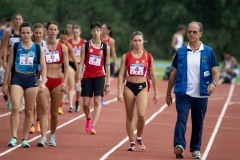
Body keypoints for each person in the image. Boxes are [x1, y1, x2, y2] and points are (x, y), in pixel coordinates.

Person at [166, 21, 219, 159]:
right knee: (181, 118)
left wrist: (213, 84)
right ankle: (179, 146)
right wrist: (168, 93)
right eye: (189, 31)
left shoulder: (208, 51)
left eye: (195, 32)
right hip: (183, 93)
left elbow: (215, 72)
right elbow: (173, 73)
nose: (191, 34)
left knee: (198, 122)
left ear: (200, 34)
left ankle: (195, 149)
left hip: (201, 94)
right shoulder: (181, 51)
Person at [2, 22, 47, 148]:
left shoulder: (38, 48)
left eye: (28, 32)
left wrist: (43, 82)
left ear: (31, 33)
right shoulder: (15, 46)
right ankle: (14, 137)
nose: (26, 35)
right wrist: (5, 83)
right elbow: (9, 66)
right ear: (20, 34)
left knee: (28, 110)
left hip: (31, 78)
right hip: (17, 77)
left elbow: (43, 65)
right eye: (23, 33)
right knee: (15, 107)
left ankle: (25, 138)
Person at [117, 31, 159, 151]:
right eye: (135, 40)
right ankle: (131, 142)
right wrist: (119, 91)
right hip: (129, 86)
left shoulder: (148, 56)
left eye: (139, 40)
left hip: (142, 87)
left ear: (143, 41)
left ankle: (139, 138)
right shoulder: (126, 56)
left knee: (141, 114)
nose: (137, 43)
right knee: (129, 115)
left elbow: (153, 75)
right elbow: (121, 75)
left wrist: (156, 92)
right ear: (132, 42)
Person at [37, 21, 69, 147]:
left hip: (57, 81)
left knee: (54, 113)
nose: (52, 32)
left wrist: (65, 82)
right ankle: (43, 137)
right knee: (44, 109)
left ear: (58, 31)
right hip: (44, 81)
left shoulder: (63, 47)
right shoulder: (40, 46)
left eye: (55, 29)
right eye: (50, 29)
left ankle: (52, 135)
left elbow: (66, 67)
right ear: (46, 30)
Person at [76, 22, 110, 135]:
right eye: (94, 30)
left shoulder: (105, 47)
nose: (96, 32)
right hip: (87, 76)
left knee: (97, 101)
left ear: (101, 32)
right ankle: (88, 118)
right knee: (85, 104)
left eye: (98, 30)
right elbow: (81, 63)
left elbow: (107, 65)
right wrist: (79, 76)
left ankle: (93, 126)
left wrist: (108, 82)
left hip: (100, 75)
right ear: (91, 32)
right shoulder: (86, 45)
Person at [1, 13, 24, 110]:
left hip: (22, 60)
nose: (18, 21)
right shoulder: (9, 32)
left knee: (21, 81)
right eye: (16, 19)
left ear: (22, 20)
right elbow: (5, 47)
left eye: (19, 19)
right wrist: (4, 61)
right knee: (10, 82)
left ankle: (20, 101)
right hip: (11, 59)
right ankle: (12, 100)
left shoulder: (24, 32)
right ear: (13, 21)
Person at [29, 22, 48, 134]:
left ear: (43, 33)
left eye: (40, 33)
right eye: (36, 33)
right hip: (31, 73)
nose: (38, 35)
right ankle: (32, 123)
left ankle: (39, 121)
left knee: (40, 102)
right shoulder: (29, 44)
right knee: (32, 101)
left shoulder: (46, 45)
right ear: (33, 33)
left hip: (42, 74)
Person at [58, 28, 78, 113]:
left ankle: (70, 105)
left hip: (68, 64)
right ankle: (59, 105)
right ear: (59, 37)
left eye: (65, 39)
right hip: (58, 65)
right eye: (62, 38)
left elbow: (73, 57)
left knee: (70, 84)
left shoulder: (68, 45)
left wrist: (78, 69)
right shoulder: (56, 43)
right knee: (60, 85)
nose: (63, 40)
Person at [68, 25, 86, 112]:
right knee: (71, 85)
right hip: (71, 64)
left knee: (78, 86)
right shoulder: (69, 42)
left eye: (77, 32)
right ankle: (70, 105)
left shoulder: (83, 42)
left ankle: (77, 101)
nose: (75, 34)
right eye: (74, 32)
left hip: (80, 64)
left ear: (80, 32)